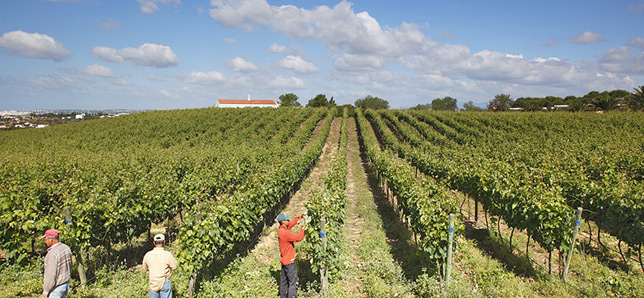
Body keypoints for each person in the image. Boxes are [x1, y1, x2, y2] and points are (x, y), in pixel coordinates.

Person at [277, 213, 306, 298]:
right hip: (290, 261)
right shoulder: (285, 234)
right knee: (293, 282)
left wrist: (300, 217)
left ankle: (283, 296)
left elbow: (291, 224)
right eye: (287, 220)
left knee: (284, 281)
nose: (288, 221)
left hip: (284, 261)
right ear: (282, 221)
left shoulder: (281, 230)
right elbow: (299, 238)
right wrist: (303, 228)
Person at [142, 234, 178, 298]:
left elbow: (145, 268)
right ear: (164, 242)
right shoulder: (167, 255)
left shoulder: (148, 255)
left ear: (154, 243)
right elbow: (174, 266)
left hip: (153, 282)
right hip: (164, 282)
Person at [41, 228, 73, 298]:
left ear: (51, 240)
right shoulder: (66, 248)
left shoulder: (52, 254)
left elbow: (51, 275)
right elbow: (70, 266)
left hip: (56, 288)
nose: (45, 241)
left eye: (45, 239)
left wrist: (46, 291)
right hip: (65, 284)